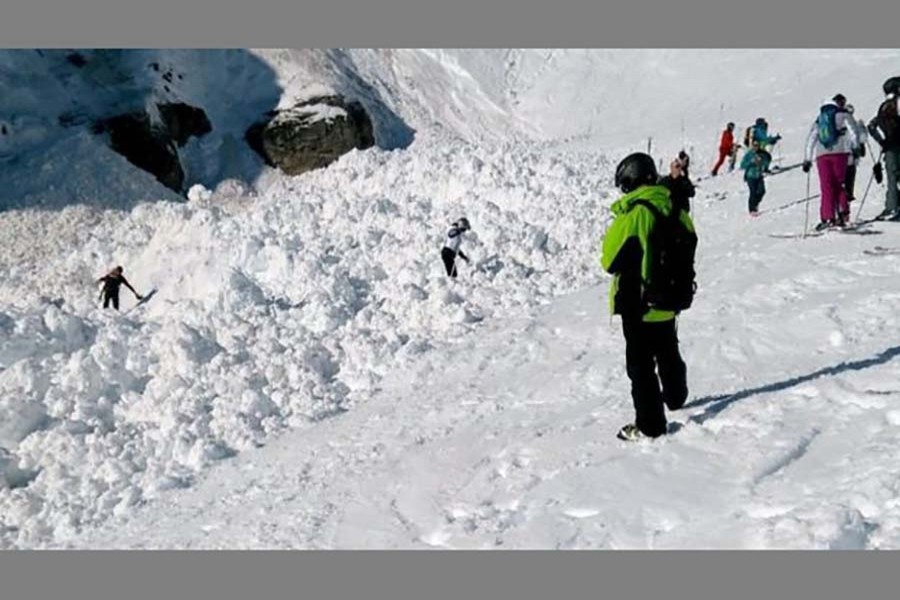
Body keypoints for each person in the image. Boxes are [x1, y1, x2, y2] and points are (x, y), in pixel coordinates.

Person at [600, 153, 694, 441]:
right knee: (668, 350)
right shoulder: (675, 208)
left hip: (639, 305)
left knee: (640, 367)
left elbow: (609, 260)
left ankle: (651, 426)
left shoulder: (635, 213)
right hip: (670, 301)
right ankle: (676, 397)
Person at [802, 93, 859, 230]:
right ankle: (843, 215)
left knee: (826, 186)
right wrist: (856, 147)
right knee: (840, 184)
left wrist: (807, 159)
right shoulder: (843, 115)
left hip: (822, 156)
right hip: (840, 153)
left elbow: (811, 139)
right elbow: (853, 132)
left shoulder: (819, 119)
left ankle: (827, 218)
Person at [867, 77, 900, 221]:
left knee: (892, 178)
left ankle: (892, 207)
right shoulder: (896, 103)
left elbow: (872, 126)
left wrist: (883, 142)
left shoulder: (885, 106)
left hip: (890, 147)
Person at [844, 104, 868, 202]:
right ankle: (849, 193)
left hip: (839, 154)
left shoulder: (838, 122)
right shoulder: (853, 123)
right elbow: (861, 136)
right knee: (850, 174)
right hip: (851, 153)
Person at [741, 139, 771, 216]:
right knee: (753, 192)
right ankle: (752, 209)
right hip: (750, 176)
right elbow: (742, 165)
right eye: (754, 145)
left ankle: (755, 203)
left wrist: (762, 162)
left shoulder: (762, 153)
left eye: (757, 145)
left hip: (759, 175)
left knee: (762, 191)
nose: (756, 147)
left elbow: (767, 161)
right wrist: (751, 162)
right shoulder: (749, 154)